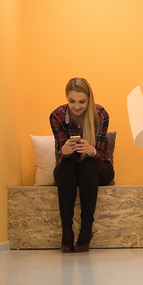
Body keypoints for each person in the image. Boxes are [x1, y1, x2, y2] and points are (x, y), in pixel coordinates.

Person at [50, 78, 115, 253]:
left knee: (87, 164)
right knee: (67, 165)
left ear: (89, 99)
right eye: (72, 101)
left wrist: (91, 150)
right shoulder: (56, 116)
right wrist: (64, 150)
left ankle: (86, 230)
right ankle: (67, 231)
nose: (77, 106)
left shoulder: (100, 114)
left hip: (98, 167)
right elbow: (61, 152)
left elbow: (101, 154)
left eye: (82, 102)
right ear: (66, 98)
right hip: (69, 168)